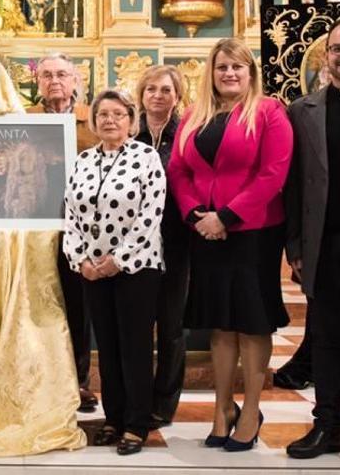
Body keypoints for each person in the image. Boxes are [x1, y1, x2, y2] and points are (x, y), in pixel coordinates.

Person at [168, 38, 293, 451]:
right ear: (212, 72)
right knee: (220, 323)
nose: (230, 74)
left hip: (253, 232)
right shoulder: (193, 115)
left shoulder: (269, 112)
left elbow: (273, 174)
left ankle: (252, 410)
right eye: (222, 67)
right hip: (205, 231)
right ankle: (222, 410)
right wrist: (196, 216)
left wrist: (226, 216)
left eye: (238, 67)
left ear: (250, 72)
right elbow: (179, 172)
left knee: (251, 321)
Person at [284, 15, 340, 471]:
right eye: (338, 49)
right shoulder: (303, 111)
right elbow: (294, 185)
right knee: (325, 340)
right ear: (326, 55)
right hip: (322, 245)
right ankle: (328, 426)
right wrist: (294, 246)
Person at [63, 88, 166, 455]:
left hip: (136, 267)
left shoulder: (147, 157)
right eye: (103, 115)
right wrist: (80, 261)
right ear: (93, 122)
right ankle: (114, 418)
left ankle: (137, 423)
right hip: (92, 270)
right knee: (105, 349)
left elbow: (150, 216)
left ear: (131, 121)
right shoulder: (83, 160)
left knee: (134, 347)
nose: (110, 121)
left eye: (118, 115)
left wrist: (117, 260)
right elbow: (70, 216)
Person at [26, 52, 99, 412]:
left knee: (77, 306)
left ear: (75, 80)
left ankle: (79, 381)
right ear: (37, 82)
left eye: (62, 74)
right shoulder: (24, 120)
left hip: (80, 230)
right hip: (35, 229)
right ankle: (36, 377)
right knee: (35, 305)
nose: (55, 81)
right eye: (47, 75)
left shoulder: (94, 120)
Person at [134, 65, 190, 428]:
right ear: (141, 94)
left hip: (175, 240)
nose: (158, 95)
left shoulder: (188, 133)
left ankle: (164, 403)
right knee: (137, 324)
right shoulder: (128, 132)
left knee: (171, 326)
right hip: (133, 245)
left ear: (177, 95)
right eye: (151, 89)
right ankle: (136, 398)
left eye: (166, 90)